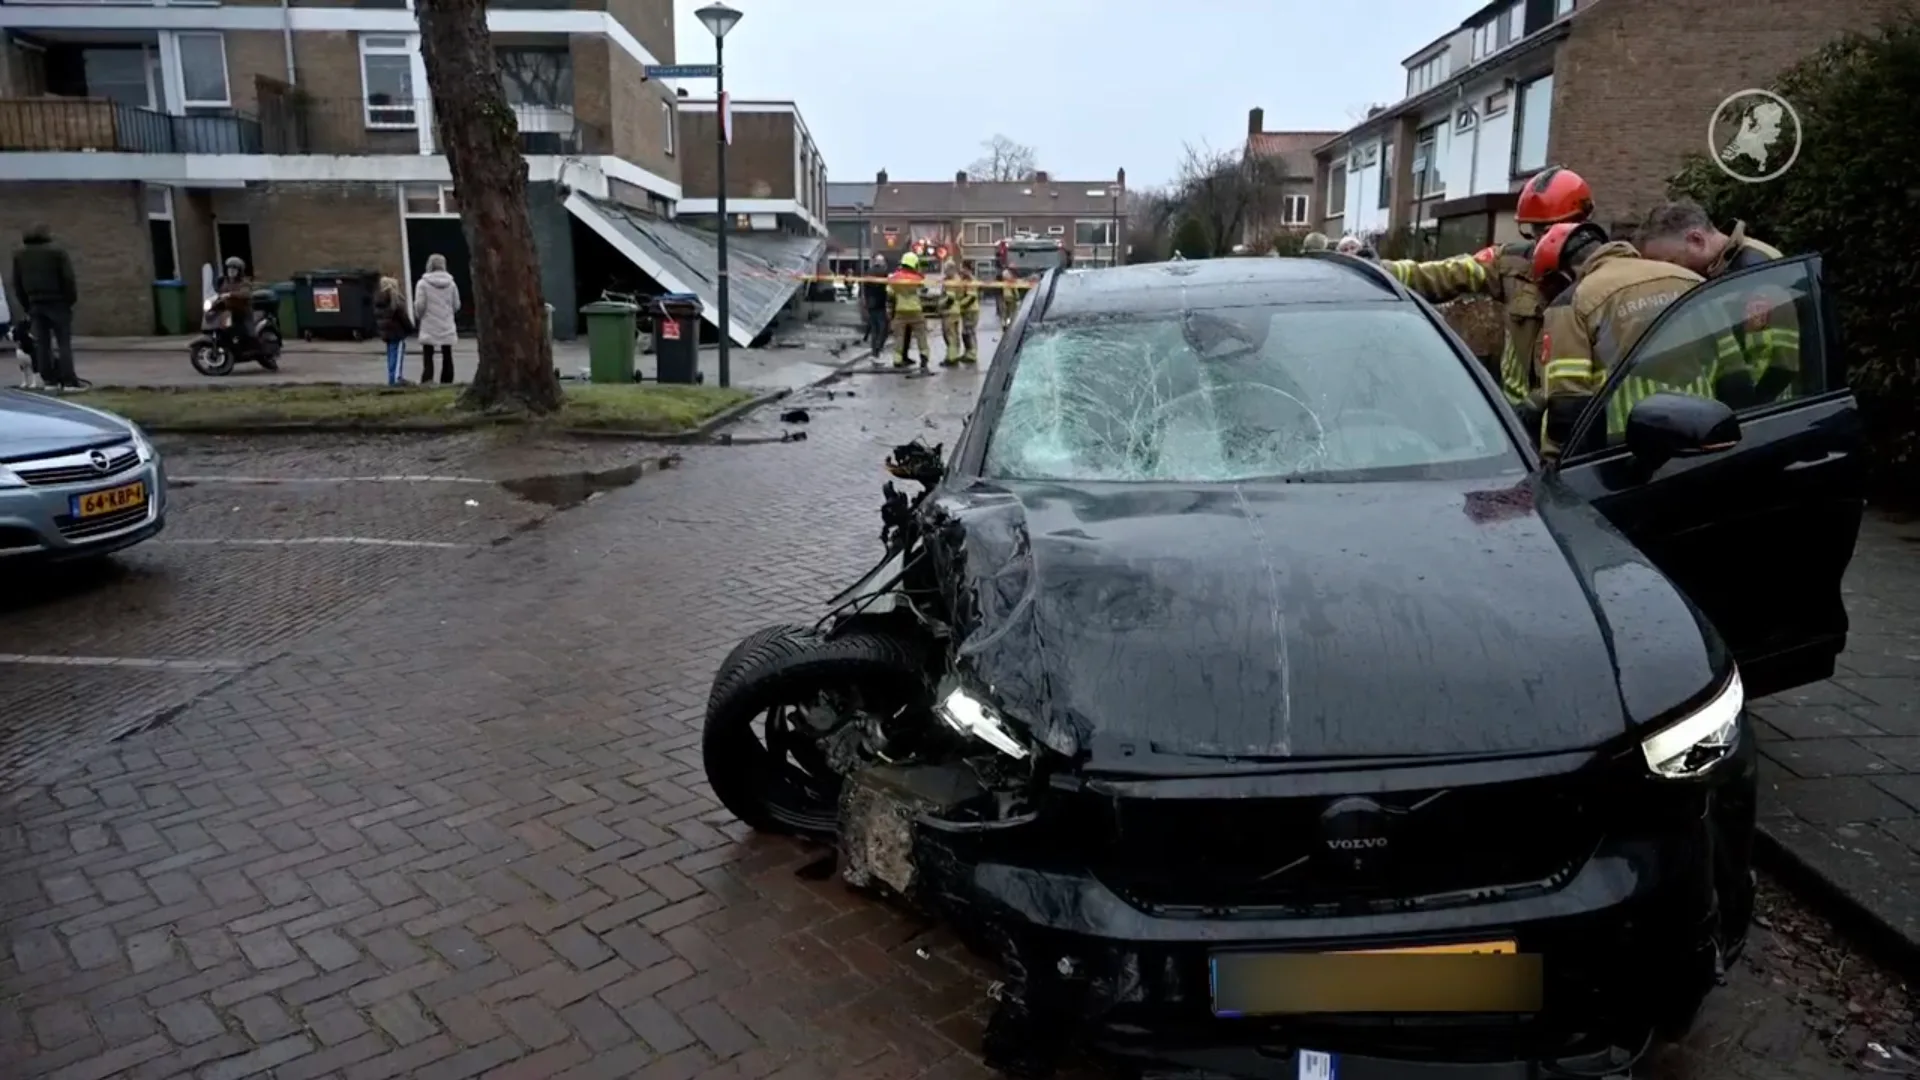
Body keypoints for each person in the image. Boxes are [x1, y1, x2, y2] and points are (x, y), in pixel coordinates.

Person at [1532, 222, 1705, 459]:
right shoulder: (1691, 280)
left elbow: (1568, 403)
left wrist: (1554, 464)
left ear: (1563, 274)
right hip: (1703, 436)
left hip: (1625, 451)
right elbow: (1733, 367)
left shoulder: (1573, 300)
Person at [1635, 199, 1797, 403]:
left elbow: (1778, 365)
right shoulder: (1727, 267)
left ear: (1696, 240)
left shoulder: (1753, 273)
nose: (1669, 274)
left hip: (1768, 414)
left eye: (1671, 263)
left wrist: (1744, 414)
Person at [10, 224, 81, 391]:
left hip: (35, 303)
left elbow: (17, 283)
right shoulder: (57, 253)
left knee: (42, 344)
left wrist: (26, 304)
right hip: (58, 302)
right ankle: (69, 382)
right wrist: (69, 300)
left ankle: (49, 381)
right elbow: (68, 279)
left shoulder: (19, 255)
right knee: (64, 343)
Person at [413, 254, 461, 384]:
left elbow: (420, 305)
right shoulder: (451, 284)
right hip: (446, 322)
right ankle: (447, 380)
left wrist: (419, 316)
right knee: (447, 353)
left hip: (429, 323)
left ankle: (427, 379)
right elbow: (456, 304)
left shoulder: (422, 284)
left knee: (428, 355)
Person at [887, 251, 932, 371]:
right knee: (921, 335)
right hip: (915, 310)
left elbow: (890, 293)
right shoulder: (918, 278)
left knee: (899, 336)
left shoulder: (895, 277)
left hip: (900, 310)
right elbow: (924, 291)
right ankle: (924, 359)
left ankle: (897, 360)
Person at [372, 276, 413, 386]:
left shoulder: (379, 300)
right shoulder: (394, 300)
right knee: (398, 355)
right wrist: (410, 328)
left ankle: (392, 377)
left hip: (387, 333)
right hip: (397, 332)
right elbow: (403, 317)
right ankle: (396, 378)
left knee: (391, 355)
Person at [937, 261, 966, 367]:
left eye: (946, 269)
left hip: (949, 311)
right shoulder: (957, 279)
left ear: (951, 269)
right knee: (954, 335)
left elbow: (950, 298)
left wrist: (941, 306)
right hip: (955, 311)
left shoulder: (952, 281)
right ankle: (954, 354)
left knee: (949, 335)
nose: (944, 271)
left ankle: (951, 358)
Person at [952, 263, 982, 365]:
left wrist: (960, 305)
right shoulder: (964, 280)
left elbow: (971, 297)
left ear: (968, 269)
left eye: (964, 269)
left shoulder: (971, 280)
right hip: (966, 311)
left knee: (969, 332)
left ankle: (972, 354)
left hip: (971, 310)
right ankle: (968, 352)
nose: (962, 271)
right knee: (965, 333)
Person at [861, 254, 890, 357]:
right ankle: (878, 348)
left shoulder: (868, 272)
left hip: (870, 303)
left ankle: (874, 352)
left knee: (874, 329)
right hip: (880, 303)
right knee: (884, 328)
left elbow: (865, 288)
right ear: (881, 262)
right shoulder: (883, 272)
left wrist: (865, 302)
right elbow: (887, 287)